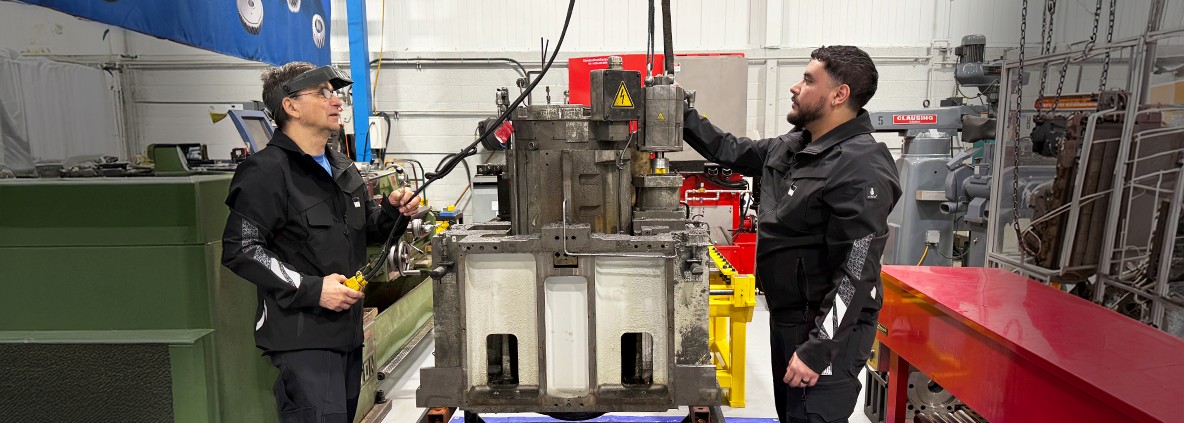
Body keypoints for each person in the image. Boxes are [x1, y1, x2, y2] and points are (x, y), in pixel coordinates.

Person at [681, 46, 901, 423]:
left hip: (826, 327)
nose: (795, 87)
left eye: (808, 80)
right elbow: (728, 149)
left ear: (839, 95)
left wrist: (818, 349)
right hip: (788, 318)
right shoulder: (795, 146)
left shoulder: (860, 164)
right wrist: (678, 112)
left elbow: (857, 272)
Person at [221, 62, 420, 423]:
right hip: (303, 339)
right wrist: (313, 290)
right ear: (291, 106)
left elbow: (369, 231)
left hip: (347, 333)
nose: (336, 101)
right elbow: (242, 247)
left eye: (336, 93)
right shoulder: (267, 171)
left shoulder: (340, 166)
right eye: (323, 93)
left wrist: (394, 212)